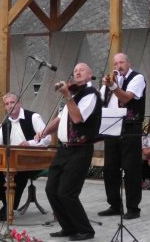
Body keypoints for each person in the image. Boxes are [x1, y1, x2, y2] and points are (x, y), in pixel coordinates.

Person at [35, 63, 101, 241]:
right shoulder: (74, 94)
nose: (77, 72)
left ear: (90, 74)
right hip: (64, 149)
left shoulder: (91, 95)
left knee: (67, 192)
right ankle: (69, 227)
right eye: (75, 71)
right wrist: (44, 132)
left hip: (80, 149)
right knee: (51, 189)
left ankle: (86, 230)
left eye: (82, 70)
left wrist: (66, 95)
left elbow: (78, 118)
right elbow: (59, 119)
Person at [0, 92, 51, 221]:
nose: (10, 106)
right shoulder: (5, 122)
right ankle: (6, 205)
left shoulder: (33, 117)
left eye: (12, 102)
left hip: (34, 159)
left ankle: (10, 208)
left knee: (17, 172)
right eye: (7, 104)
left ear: (19, 103)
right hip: (13, 160)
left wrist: (30, 143)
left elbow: (47, 138)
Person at [98, 52, 146, 220]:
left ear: (128, 62)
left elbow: (126, 99)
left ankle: (133, 208)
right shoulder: (109, 82)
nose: (119, 66)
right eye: (116, 63)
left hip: (130, 128)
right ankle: (114, 204)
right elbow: (100, 100)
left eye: (122, 62)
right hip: (111, 128)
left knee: (131, 169)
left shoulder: (137, 78)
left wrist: (113, 86)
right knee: (110, 169)